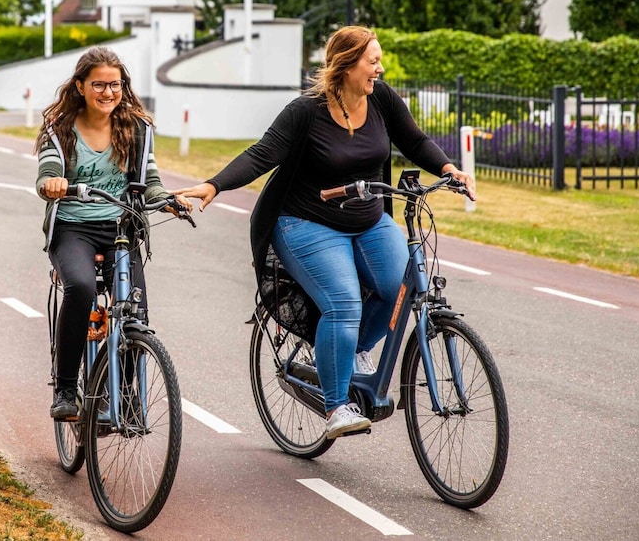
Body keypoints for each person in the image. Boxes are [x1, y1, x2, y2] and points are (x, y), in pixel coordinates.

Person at [174, 26, 475, 439]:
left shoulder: (381, 99)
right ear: (347, 65)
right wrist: (214, 185)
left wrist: (449, 169)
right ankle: (336, 407)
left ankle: (349, 351)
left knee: (401, 287)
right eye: (373, 61)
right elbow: (262, 154)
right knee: (344, 302)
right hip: (305, 222)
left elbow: (415, 140)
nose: (380, 69)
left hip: (368, 220)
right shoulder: (306, 111)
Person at [35, 46, 192, 421]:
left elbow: (149, 181)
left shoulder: (137, 129)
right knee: (81, 288)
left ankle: (126, 396)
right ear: (80, 86)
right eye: (99, 85)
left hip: (121, 229)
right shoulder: (59, 130)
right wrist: (53, 183)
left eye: (115, 85)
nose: (108, 92)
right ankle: (66, 390)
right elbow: (46, 173)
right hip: (73, 228)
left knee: (136, 309)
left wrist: (166, 200)